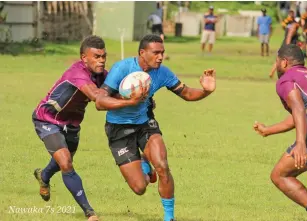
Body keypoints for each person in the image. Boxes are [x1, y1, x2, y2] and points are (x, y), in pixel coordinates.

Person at [95, 34, 216, 221]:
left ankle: (169, 217)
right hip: (118, 129)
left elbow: (186, 93)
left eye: (162, 53)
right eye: (156, 53)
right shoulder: (122, 68)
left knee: (162, 166)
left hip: (145, 124)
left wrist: (206, 91)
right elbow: (100, 102)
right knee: (140, 188)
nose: (160, 57)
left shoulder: (162, 73)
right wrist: (130, 102)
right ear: (142, 53)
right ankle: (145, 165)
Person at [32, 35, 109, 221]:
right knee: (66, 163)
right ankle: (89, 212)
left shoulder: (102, 75)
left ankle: (44, 175)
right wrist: (129, 99)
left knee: (63, 161)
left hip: (72, 125)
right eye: (96, 57)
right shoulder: (77, 72)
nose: (101, 61)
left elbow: (117, 87)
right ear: (84, 58)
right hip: (47, 120)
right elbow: (96, 96)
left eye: (103, 56)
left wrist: (138, 96)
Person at [254, 44, 307, 221]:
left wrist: (301, 144)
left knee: (280, 175)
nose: (274, 66)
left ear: (284, 62)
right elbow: (301, 114)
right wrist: (268, 130)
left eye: (276, 62)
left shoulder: (286, 79)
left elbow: (299, 109)